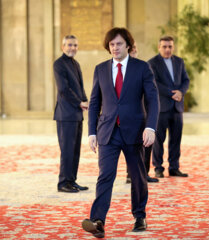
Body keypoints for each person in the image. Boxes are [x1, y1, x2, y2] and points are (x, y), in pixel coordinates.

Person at [81, 28, 159, 238]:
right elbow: (95, 102)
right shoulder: (101, 69)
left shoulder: (142, 68)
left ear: (128, 46)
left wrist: (150, 127)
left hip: (135, 132)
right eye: (112, 44)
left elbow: (153, 100)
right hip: (107, 132)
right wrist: (91, 132)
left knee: (138, 176)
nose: (115, 48)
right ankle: (98, 221)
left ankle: (139, 216)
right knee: (105, 175)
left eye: (119, 44)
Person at [148, 36, 190, 178]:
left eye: (170, 46)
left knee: (176, 139)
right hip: (161, 107)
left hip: (177, 108)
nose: (167, 49)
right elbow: (154, 83)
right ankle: (158, 168)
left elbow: (186, 80)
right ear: (159, 47)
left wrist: (181, 92)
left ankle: (174, 167)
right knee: (158, 139)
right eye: (164, 46)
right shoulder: (152, 63)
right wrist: (172, 93)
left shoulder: (179, 62)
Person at [53, 35, 89, 193]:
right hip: (65, 115)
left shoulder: (76, 64)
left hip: (76, 114)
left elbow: (80, 88)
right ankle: (63, 183)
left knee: (75, 150)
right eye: (69, 45)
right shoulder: (59, 64)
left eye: (75, 45)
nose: (72, 48)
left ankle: (72, 180)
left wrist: (87, 101)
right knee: (67, 150)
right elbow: (63, 89)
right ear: (63, 47)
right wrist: (79, 102)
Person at [126, 42, 159, 184]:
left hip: (144, 112)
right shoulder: (122, 70)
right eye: (131, 50)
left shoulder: (142, 67)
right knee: (132, 146)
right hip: (131, 115)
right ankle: (131, 174)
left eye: (135, 50)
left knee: (146, 144)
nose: (134, 52)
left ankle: (143, 173)